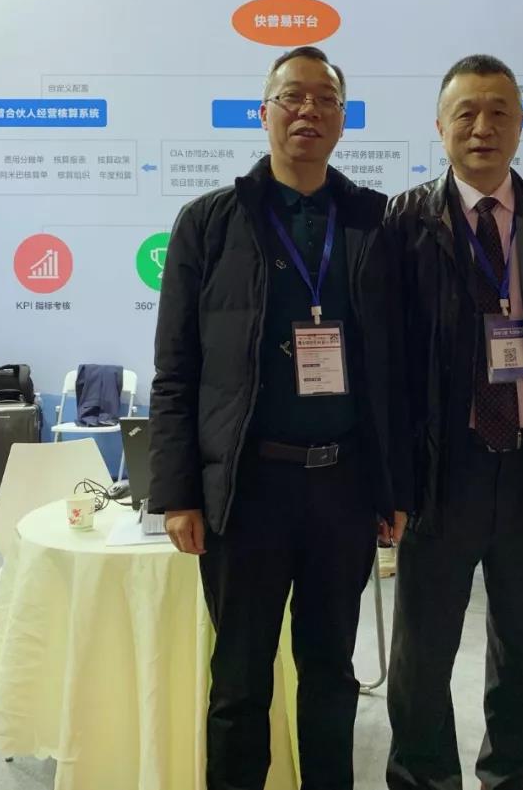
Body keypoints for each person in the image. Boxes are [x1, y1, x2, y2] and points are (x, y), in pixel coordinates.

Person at [148, 45, 410, 790]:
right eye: (293, 96)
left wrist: (393, 486)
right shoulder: (209, 223)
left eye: (325, 99)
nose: (308, 111)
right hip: (247, 490)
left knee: (331, 673)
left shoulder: (374, 222)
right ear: (263, 113)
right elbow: (176, 370)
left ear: (343, 120)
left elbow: (394, 371)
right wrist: (178, 492)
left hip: (342, 487)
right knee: (238, 681)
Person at [384, 54, 523, 790]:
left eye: (499, 111)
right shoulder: (404, 221)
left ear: (521, 124)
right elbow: (391, 356)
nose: (482, 127)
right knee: (421, 658)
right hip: (444, 469)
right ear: (439, 126)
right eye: (465, 112)